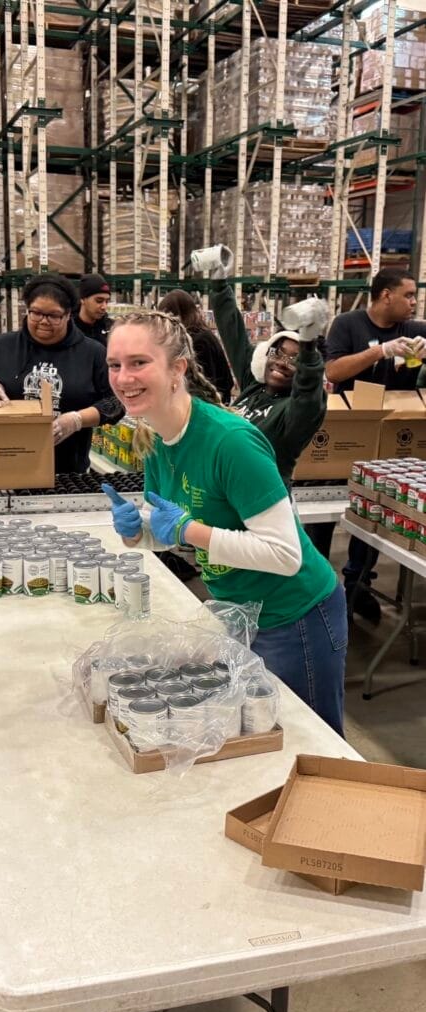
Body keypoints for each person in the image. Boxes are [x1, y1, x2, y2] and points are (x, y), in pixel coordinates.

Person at [102, 310, 346, 735]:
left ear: (177, 368)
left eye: (139, 362)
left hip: (295, 615)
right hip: (239, 612)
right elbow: (174, 530)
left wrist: (187, 530)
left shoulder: (230, 442)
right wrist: (139, 532)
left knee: (311, 742)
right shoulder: (155, 437)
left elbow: (284, 555)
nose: (124, 378)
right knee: (258, 736)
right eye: (114, 365)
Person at [324, 267, 426, 622]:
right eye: (408, 295)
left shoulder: (415, 330)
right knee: (322, 518)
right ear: (386, 295)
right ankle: (317, 589)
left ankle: (358, 585)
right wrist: (380, 351)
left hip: (391, 444)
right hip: (348, 437)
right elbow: (333, 372)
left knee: (372, 515)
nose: (413, 302)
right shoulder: (348, 325)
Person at [0, 273, 122, 473]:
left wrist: (77, 420)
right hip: (6, 468)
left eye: (54, 316)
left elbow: (116, 403)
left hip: (68, 473)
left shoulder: (92, 353)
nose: (43, 321)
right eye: (36, 313)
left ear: (68, 314)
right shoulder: (3, 346)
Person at [192, 249, 328, 493]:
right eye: (278, 353)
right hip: (225, 491)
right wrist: (219, 281)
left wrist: (309, 343)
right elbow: (233, 333)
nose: (283, 363)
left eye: (295, 360)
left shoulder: (296, 413)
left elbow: (309, 388)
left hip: (263, 500)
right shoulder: (254, 386)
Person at [157, 288, 234, 404]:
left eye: (168, 318)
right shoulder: (202, 336)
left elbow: (206, 385)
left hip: (208, 407)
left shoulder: (199, 341)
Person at [76, 273, 114, 347]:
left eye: (107, 301)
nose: (104, 307)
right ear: (83, 299)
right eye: (99, 301)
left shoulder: (111, 328)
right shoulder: (68, 330)